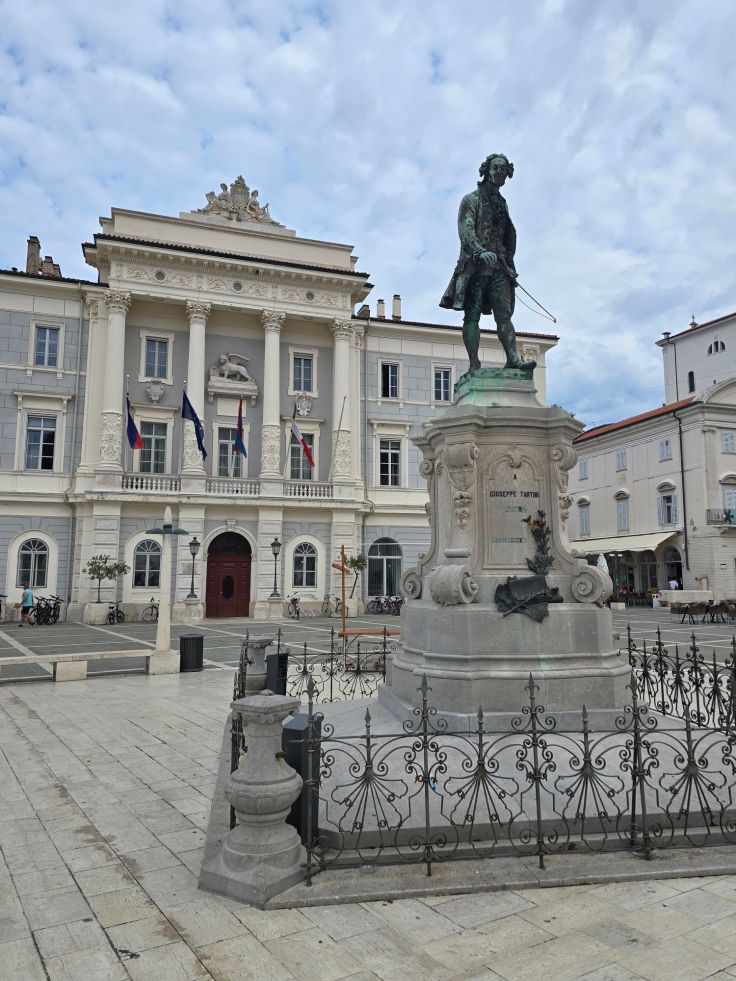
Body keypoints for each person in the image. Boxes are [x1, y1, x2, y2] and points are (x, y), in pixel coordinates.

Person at [440, 153, 536, 375]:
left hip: (500, 266)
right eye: (495, 168)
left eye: (503, 169)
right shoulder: (471, 200)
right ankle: (474, 364)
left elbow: (506, 235)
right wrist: (479, 251)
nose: (499, 172)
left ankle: (512, 359)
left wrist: (509, 264)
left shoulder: (502, 204)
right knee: (472, 314)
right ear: (486, 170)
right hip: (475, 265)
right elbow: (466, 229)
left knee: (504, 315)